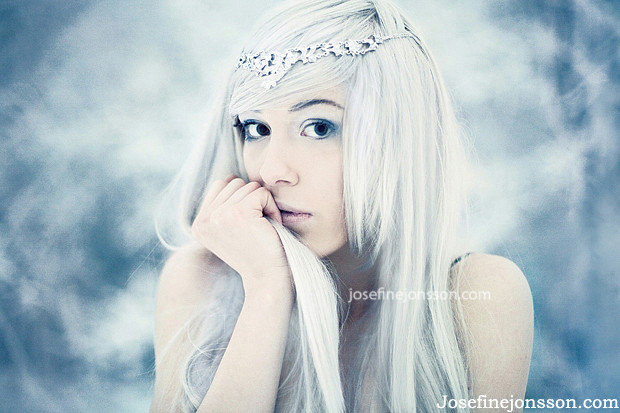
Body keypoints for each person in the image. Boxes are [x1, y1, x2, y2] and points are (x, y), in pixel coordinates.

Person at [150, 0, 534, 411]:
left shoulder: (476, 296)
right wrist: (266, 289)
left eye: (318, 127)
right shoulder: (201, 280)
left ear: (399, 138)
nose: (272, 170)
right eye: (257, 128)